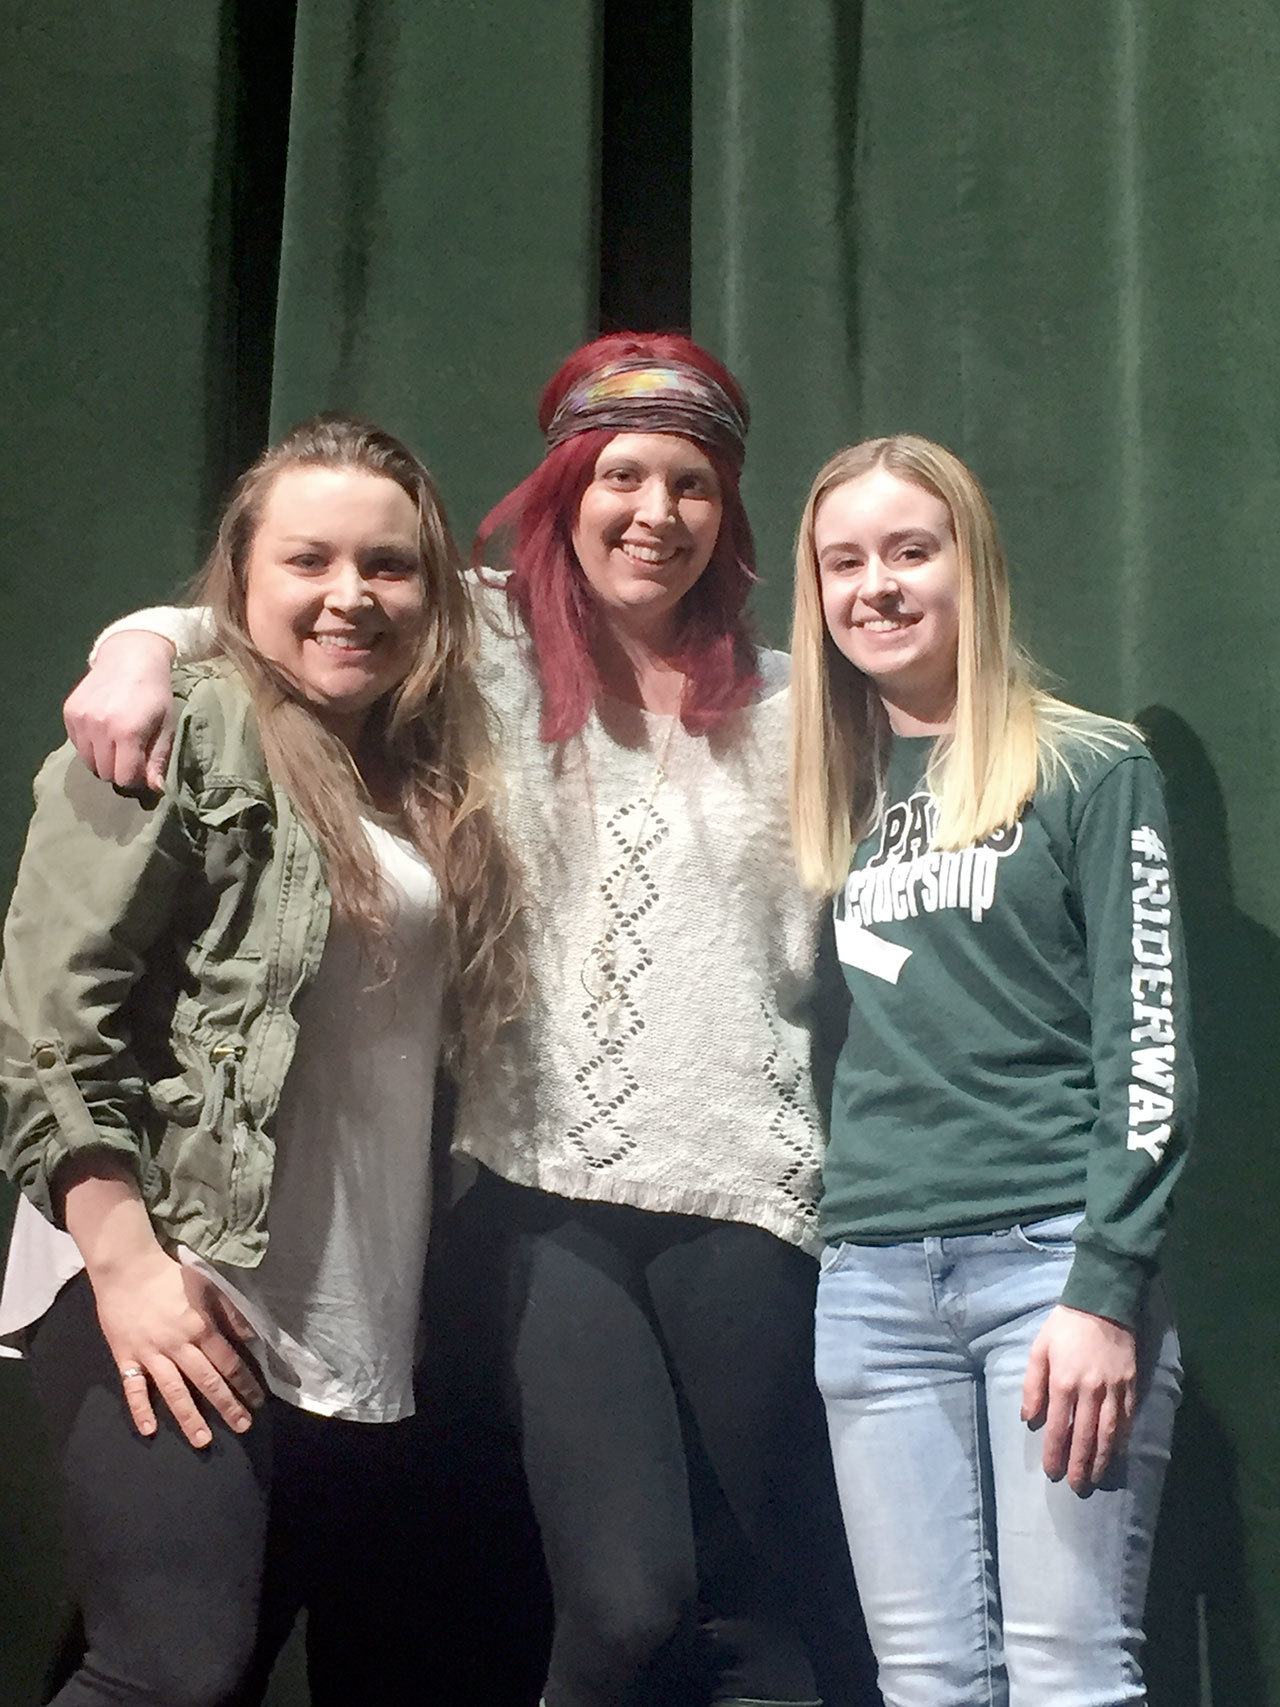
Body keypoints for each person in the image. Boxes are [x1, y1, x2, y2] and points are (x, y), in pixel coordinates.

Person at [59, 334, 880, 1707]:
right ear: (568, 487)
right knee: (624, 1600)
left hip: (757, 1193)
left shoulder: (806, 700)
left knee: (762, 1609)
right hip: (542, 1187)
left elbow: (945, 691)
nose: (655, 510)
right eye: (623, 472)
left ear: (728, 512)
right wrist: (134, 648)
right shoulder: (484, 643)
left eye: (691, 481)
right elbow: (261, 612)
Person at [0, 415, 523, 1707]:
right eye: (309, 560)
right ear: (241, 576)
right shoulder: (173, 727)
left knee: (229, 1674)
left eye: (388, 566)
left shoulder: (417, 767)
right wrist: (125, 1268)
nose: (350, 594)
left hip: (350, 1317)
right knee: (169, 1671)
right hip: (176, 1276)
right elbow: (48, 1017)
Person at [789, 434, 1190, 1706]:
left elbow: (1152, 1044)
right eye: (842, 562)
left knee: (1068, 1673)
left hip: (1048, 1274)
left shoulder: (1089, 765)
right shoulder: (827, 783)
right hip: (867, 1285)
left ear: (974, 567)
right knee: (923, 1682)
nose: (877, 586)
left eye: (912, 551)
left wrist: (1105, 1286)